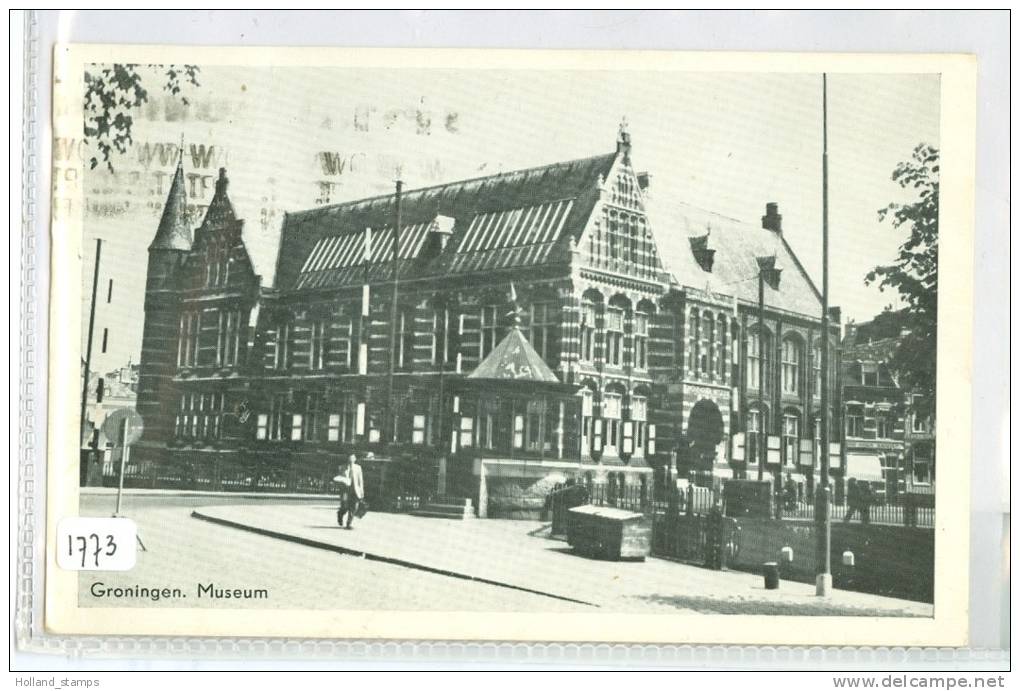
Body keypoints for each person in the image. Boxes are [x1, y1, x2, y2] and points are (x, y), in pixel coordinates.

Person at [335, 454, 365, 530]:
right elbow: (338, 478)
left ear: (355, 459)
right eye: (349, 459)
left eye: (352, 459)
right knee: (345, 507)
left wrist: (361, 490)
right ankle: (340, 514)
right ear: (347, 459)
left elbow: (360, 480)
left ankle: (348, 524)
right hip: (345, 491)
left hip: (355, 490)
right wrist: (343, 481)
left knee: (354, 507)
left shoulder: (358, 468)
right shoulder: (342, 467)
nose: (351, 460)